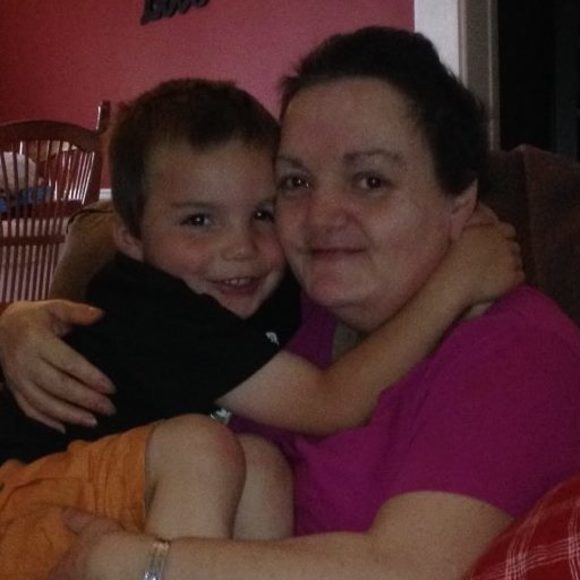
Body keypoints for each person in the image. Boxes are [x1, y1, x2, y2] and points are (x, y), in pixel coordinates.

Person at [5, 25, 580, 580]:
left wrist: (141, 565)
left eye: (371, 181)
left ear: (459, 201)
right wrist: (15, 325)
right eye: (297, 182)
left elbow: (414, 569)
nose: (320, 217)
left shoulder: (517, 351)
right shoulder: (281, 303)